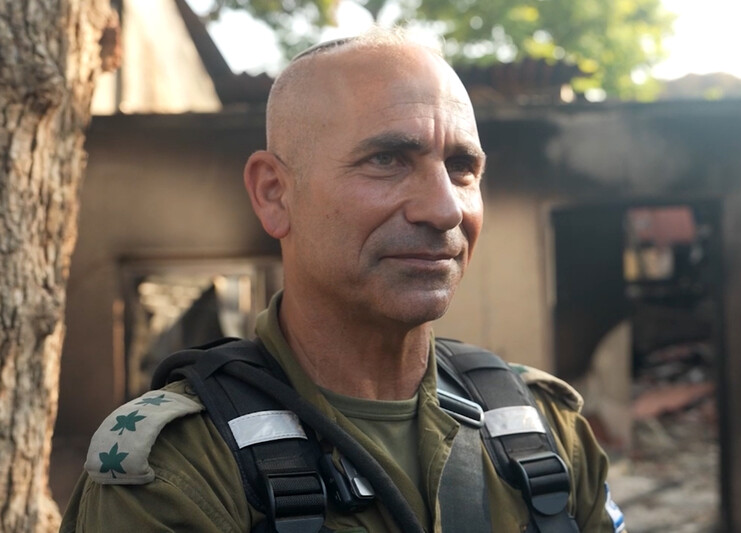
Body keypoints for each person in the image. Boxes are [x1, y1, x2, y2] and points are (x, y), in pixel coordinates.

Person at [61, 27, 626, 533]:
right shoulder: (181, 470)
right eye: (387, 160)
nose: (445, 208)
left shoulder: (543, 430)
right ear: (274, 194)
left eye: (462, 168)